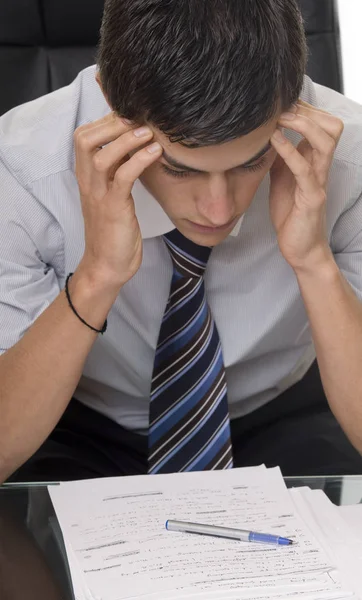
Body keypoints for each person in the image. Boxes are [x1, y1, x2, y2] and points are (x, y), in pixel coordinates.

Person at [1, 0, 362, 484]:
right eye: (178, 168)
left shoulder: (348, 164)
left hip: (284, 410)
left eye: (249, 162)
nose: (218, 210)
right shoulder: (22, 172)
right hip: (77, 418)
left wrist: (315, 261)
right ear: (110, 102)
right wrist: (97, 276)